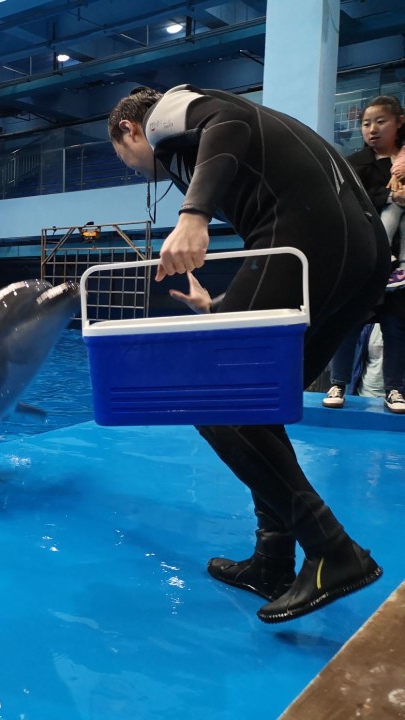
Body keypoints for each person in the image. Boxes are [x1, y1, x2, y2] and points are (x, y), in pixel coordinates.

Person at [108, 84, 386, 623]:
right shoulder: (200, 143)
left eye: (122, 156)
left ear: (128, 129)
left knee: (210, 394)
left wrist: (194, 214)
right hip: (361, 253)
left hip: (310, 238)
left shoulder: (169, 112)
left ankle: (333, 550)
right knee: (258, 401)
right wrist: (218, 305)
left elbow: (228, 120)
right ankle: (274, 559)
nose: (130, 166)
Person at [323, 95, 405, 413]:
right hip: (365, 259)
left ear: (399, 122)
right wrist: (389, 195)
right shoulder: (354, 164)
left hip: (400, 267)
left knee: (397, 326)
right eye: (366, 123)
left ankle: (396, 390)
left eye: (380, 121)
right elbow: (347, 203)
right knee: (349, 322)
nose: (372, 129)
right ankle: (338, 383)